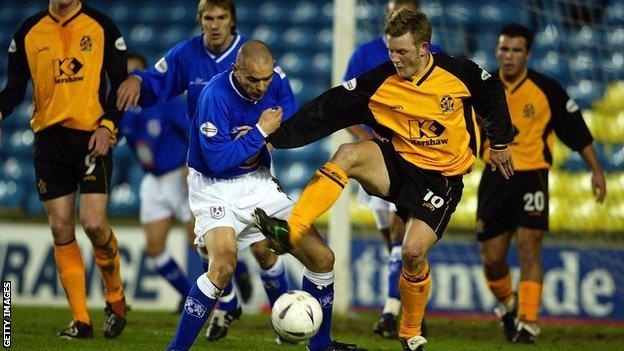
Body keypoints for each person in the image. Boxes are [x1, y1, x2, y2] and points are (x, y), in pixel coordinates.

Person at [252, 8, 515, 351]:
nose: (395, 59)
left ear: (424, 49)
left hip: (441, 180)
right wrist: (278, 136)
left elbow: (492, 91)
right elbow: (329, 108)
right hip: (398, 162)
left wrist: (500, 143)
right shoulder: (380, 80)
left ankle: (409, 332)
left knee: (413, 253)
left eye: (402, 52)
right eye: (391, 51)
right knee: (347, 153)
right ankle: (294, 229)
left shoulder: (457, 72)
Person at [167, 40, 364, 351]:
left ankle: (321, 345)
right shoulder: (215, 95)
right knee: (223, 266)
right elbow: (217, 160)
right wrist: (260, 133)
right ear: (236, 70)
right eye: (253, 79)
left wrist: (277, 135)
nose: (261, 87)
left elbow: (292, 120)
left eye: (266, 78)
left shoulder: (276, 83)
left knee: (322, 258)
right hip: (215, 188)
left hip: (258, 182)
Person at [116, 0, 293, 340]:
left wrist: (270, 138)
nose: (214, 24)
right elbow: (158, 81)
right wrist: (139, 80)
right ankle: (226, 306)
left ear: (233, 21)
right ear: (201, 21)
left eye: (221, 17)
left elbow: (286, 100)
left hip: (251, 160)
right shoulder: (187, 54)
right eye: (208, 18)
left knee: (263, 247)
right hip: (211, 165)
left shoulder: (253, 57)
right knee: (209, 249)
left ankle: (283, 319)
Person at [0, 0, 127, 339]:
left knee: (95, 225)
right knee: (60, 228)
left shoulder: (101, 26)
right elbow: (13, 90)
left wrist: (108, 125)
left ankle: (115, 298)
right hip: (48, 141)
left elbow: (121, 84)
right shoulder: (28, 31)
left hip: (91, 137)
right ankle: (81, 321)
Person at [476, 23, 607, 344]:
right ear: (497, 51)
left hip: (532, 175)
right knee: (492, 260)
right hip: (494, 177)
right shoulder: (480, 87)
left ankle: (528, 322)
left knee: (529, 246)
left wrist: (596, 169)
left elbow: (575, 129)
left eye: (516, 50)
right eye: (504, 49)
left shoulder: (546, 89)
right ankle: (508, 305)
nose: (509, 56)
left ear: (528, 54)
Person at [342, 0, 440, 338]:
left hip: (417, 161)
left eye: (404, 12)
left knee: (403, 235)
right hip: (379, 160)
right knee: (393, 242)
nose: (396, 16)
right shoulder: (365, 55)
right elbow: (346, 109)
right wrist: (373, 141)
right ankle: (409, 304)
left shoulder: (435, 55)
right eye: (393, 10)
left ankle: (390, 312)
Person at [119, 53, 194, 310]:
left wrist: (189, 165)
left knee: (198, 241)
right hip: (153, 180)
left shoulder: (165, 100)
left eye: (135, 74)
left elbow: (193, 129)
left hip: (179, 175)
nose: (130, 80)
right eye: (125, 75)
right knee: (154, 247)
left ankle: (236, 273)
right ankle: (188, 296)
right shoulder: (121, 109)